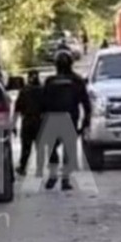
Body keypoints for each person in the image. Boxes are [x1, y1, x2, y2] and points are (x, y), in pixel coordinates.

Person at [41, 50, 92, 191]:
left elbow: (42, 102)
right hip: (71, 119)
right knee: (68, 150)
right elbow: (86, 104)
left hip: (52, 119)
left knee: (52, 149)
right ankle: (65, 179)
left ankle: (53, 176)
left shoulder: (50, 81)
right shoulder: (77, 81)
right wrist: (85, 122)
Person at [14, 70, 44, 177]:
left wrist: (13, 124)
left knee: (26, 147)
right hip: (40, 121)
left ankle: (22, 167)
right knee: (40, 146)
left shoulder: (24, 91)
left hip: (27, 121)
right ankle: (39, 168)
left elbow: (17, 109)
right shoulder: (42, 90)